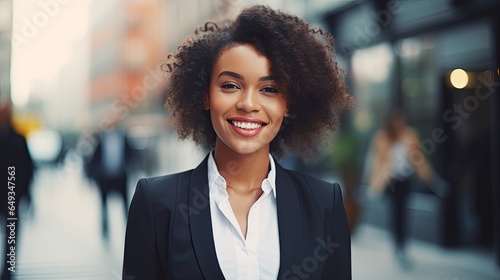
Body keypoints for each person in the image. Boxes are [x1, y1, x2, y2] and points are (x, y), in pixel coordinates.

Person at [123, 5, 353, 279]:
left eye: (269, 89)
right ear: (205, 95)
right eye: (231, 85)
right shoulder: (156, 204)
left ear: (288, 104)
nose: (248, 104)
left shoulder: (325, 203)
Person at [368, 110, 449, 267]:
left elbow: (419, 159)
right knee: (396, 212)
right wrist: (373, 186)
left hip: (405, 180)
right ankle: (398, 244)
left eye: (401, 122)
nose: (399, 125)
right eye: (396, 122)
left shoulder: (410, 136)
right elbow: (375, 163)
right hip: (390, 181)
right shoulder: (382, 138)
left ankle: (402, 245)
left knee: (403, 211)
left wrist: (433, 181)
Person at [0, 101, 33, 280]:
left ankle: (8, 268)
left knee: (11, 234)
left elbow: (27, 168)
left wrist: (25, 193)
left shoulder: (18, 138)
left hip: (12, 194)